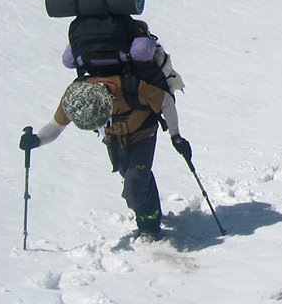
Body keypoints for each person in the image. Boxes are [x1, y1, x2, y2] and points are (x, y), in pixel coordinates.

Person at [19, 19, 190, 241]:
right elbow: (55, 126)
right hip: (114, 140)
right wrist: (37, 140)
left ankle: (149, 227)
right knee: (137, 177)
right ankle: (153, 214)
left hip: (143, 133)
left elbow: (166, 101)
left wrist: (176, 136)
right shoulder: (76, 97)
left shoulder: (130, 87)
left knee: (135, 184)